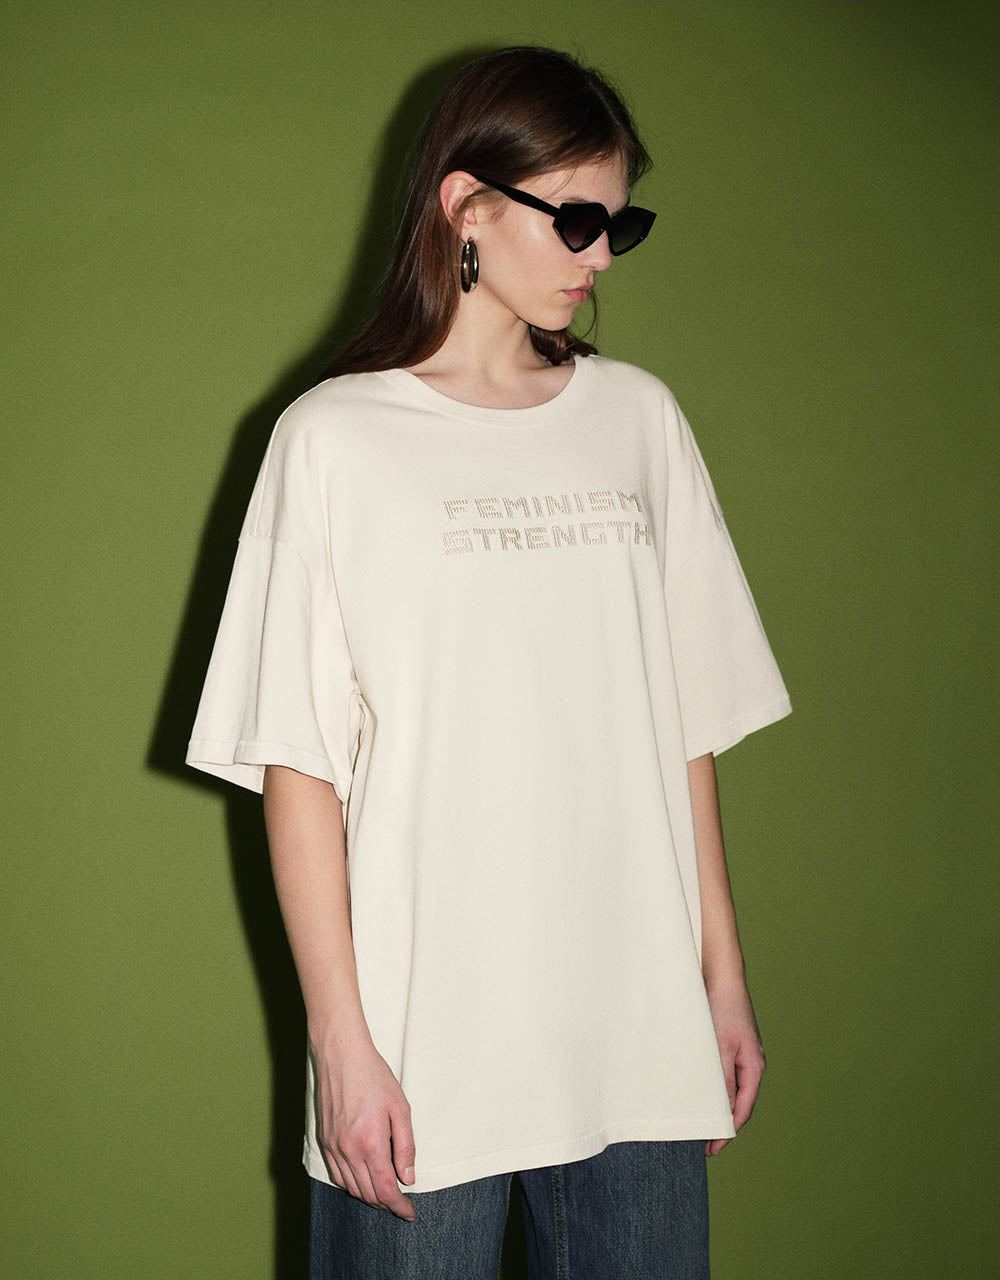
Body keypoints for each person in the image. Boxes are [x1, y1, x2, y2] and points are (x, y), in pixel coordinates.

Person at [185, 44, 792, 1280]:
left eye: (619, 224)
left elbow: (683, 725)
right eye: (575, 219)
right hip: (428, 1046)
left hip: (637, 1032)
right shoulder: (333, 439)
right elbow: (298, 765)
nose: (600, 255)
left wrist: (720, 981)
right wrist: (342, 1046)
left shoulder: (637, 420)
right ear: (466, 204)